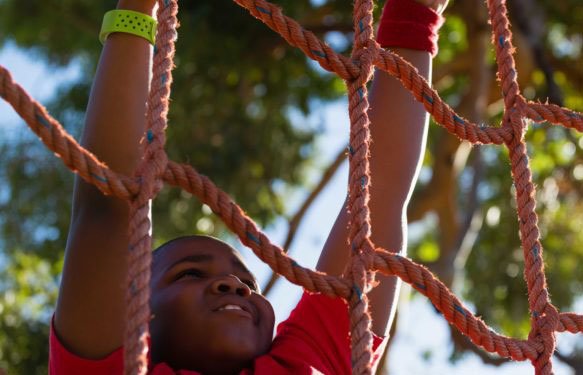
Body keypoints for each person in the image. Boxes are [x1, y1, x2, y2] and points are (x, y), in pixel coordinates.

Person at [49, 0, 447, 373]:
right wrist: (136, 10)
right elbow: (109, 206)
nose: (233, 286)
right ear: (136, 310)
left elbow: (376, 196)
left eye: (249, 283)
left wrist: (415, 14)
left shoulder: (301, 362)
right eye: (187, 274)